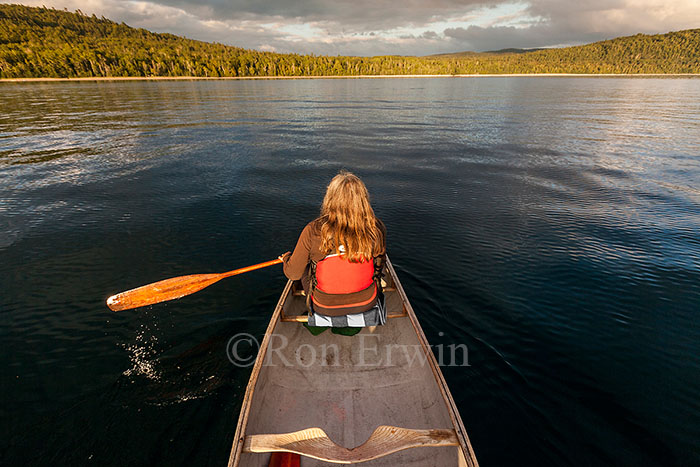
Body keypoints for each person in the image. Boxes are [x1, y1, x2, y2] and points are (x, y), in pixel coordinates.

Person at [279, 171, 386, 332]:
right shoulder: (376, 228)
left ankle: (318, 323)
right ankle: (350, 328)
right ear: (363, 199)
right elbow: (380, 265)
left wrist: (287, 258)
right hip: (365, 302)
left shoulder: (313, 230)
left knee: (304, 267)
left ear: (330, 198)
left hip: (324, 306)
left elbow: (293, 274)